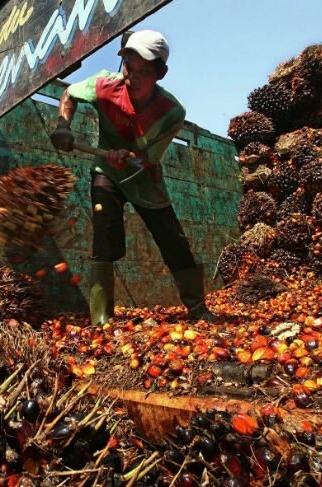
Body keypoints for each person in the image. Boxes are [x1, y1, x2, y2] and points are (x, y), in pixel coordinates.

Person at [50, 30, 218, 325]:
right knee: (104, 240)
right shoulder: (104, 85)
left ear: (161, 74)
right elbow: (69, 94)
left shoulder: (171, 113)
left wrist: (127, 157)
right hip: (107, 174)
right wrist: (63, 126)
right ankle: (101, 319)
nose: (133, 77)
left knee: (173, 242)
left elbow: (148, 160)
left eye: (145, 71)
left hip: (145, 180)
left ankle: (198, 309)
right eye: (129, 66)